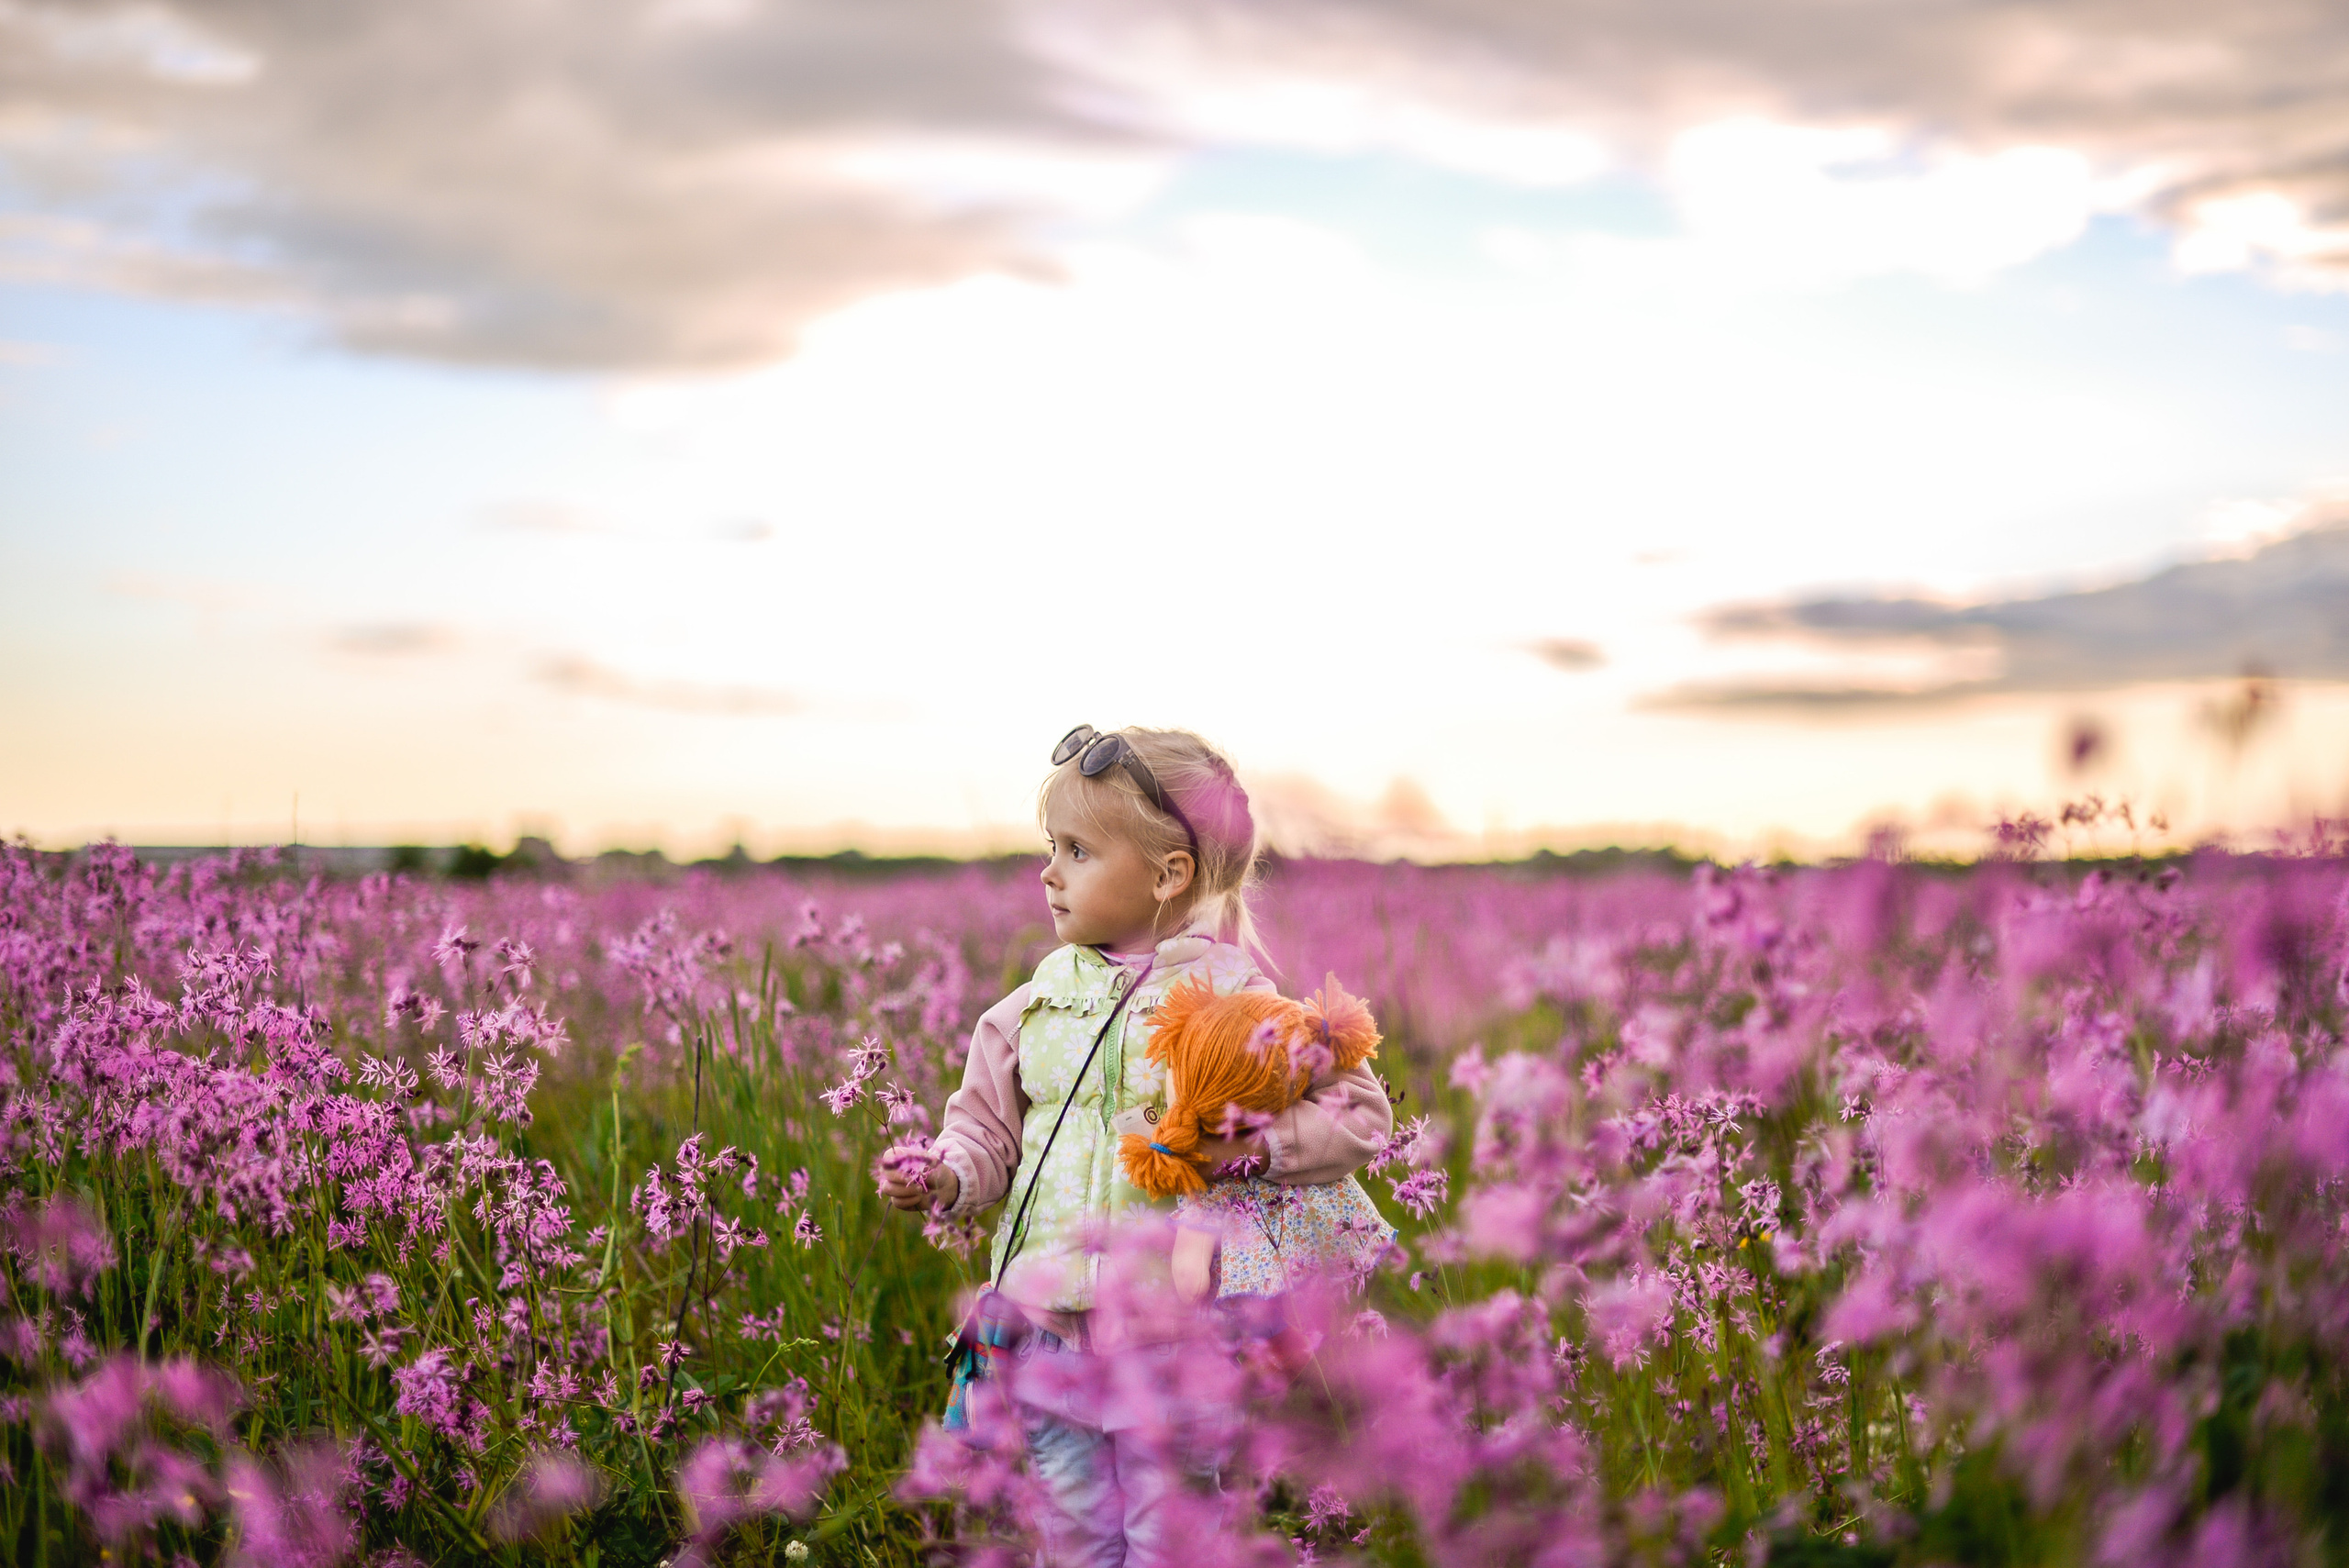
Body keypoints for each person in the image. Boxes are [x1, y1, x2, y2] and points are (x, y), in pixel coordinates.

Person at [876, 724, 1392, 1566]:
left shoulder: (1236, 996)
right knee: (1073, 1535)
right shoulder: (1031, 1006)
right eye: (1052, 846)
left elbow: (1363, 1109)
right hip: (1048, 1327)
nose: (1049, 871)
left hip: (1175, 1336)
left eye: (1078, 849)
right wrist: (944, 1174)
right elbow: (985, 1133)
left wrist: (1249, 1147)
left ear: (1168, 874)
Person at [1118, 976, 1396, 1306]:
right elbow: (1192, 1261)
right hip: (1236, 1297)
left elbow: (1367, 1114)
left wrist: (1256, 1149)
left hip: (1319, 1264)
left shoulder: (1267, 1003)